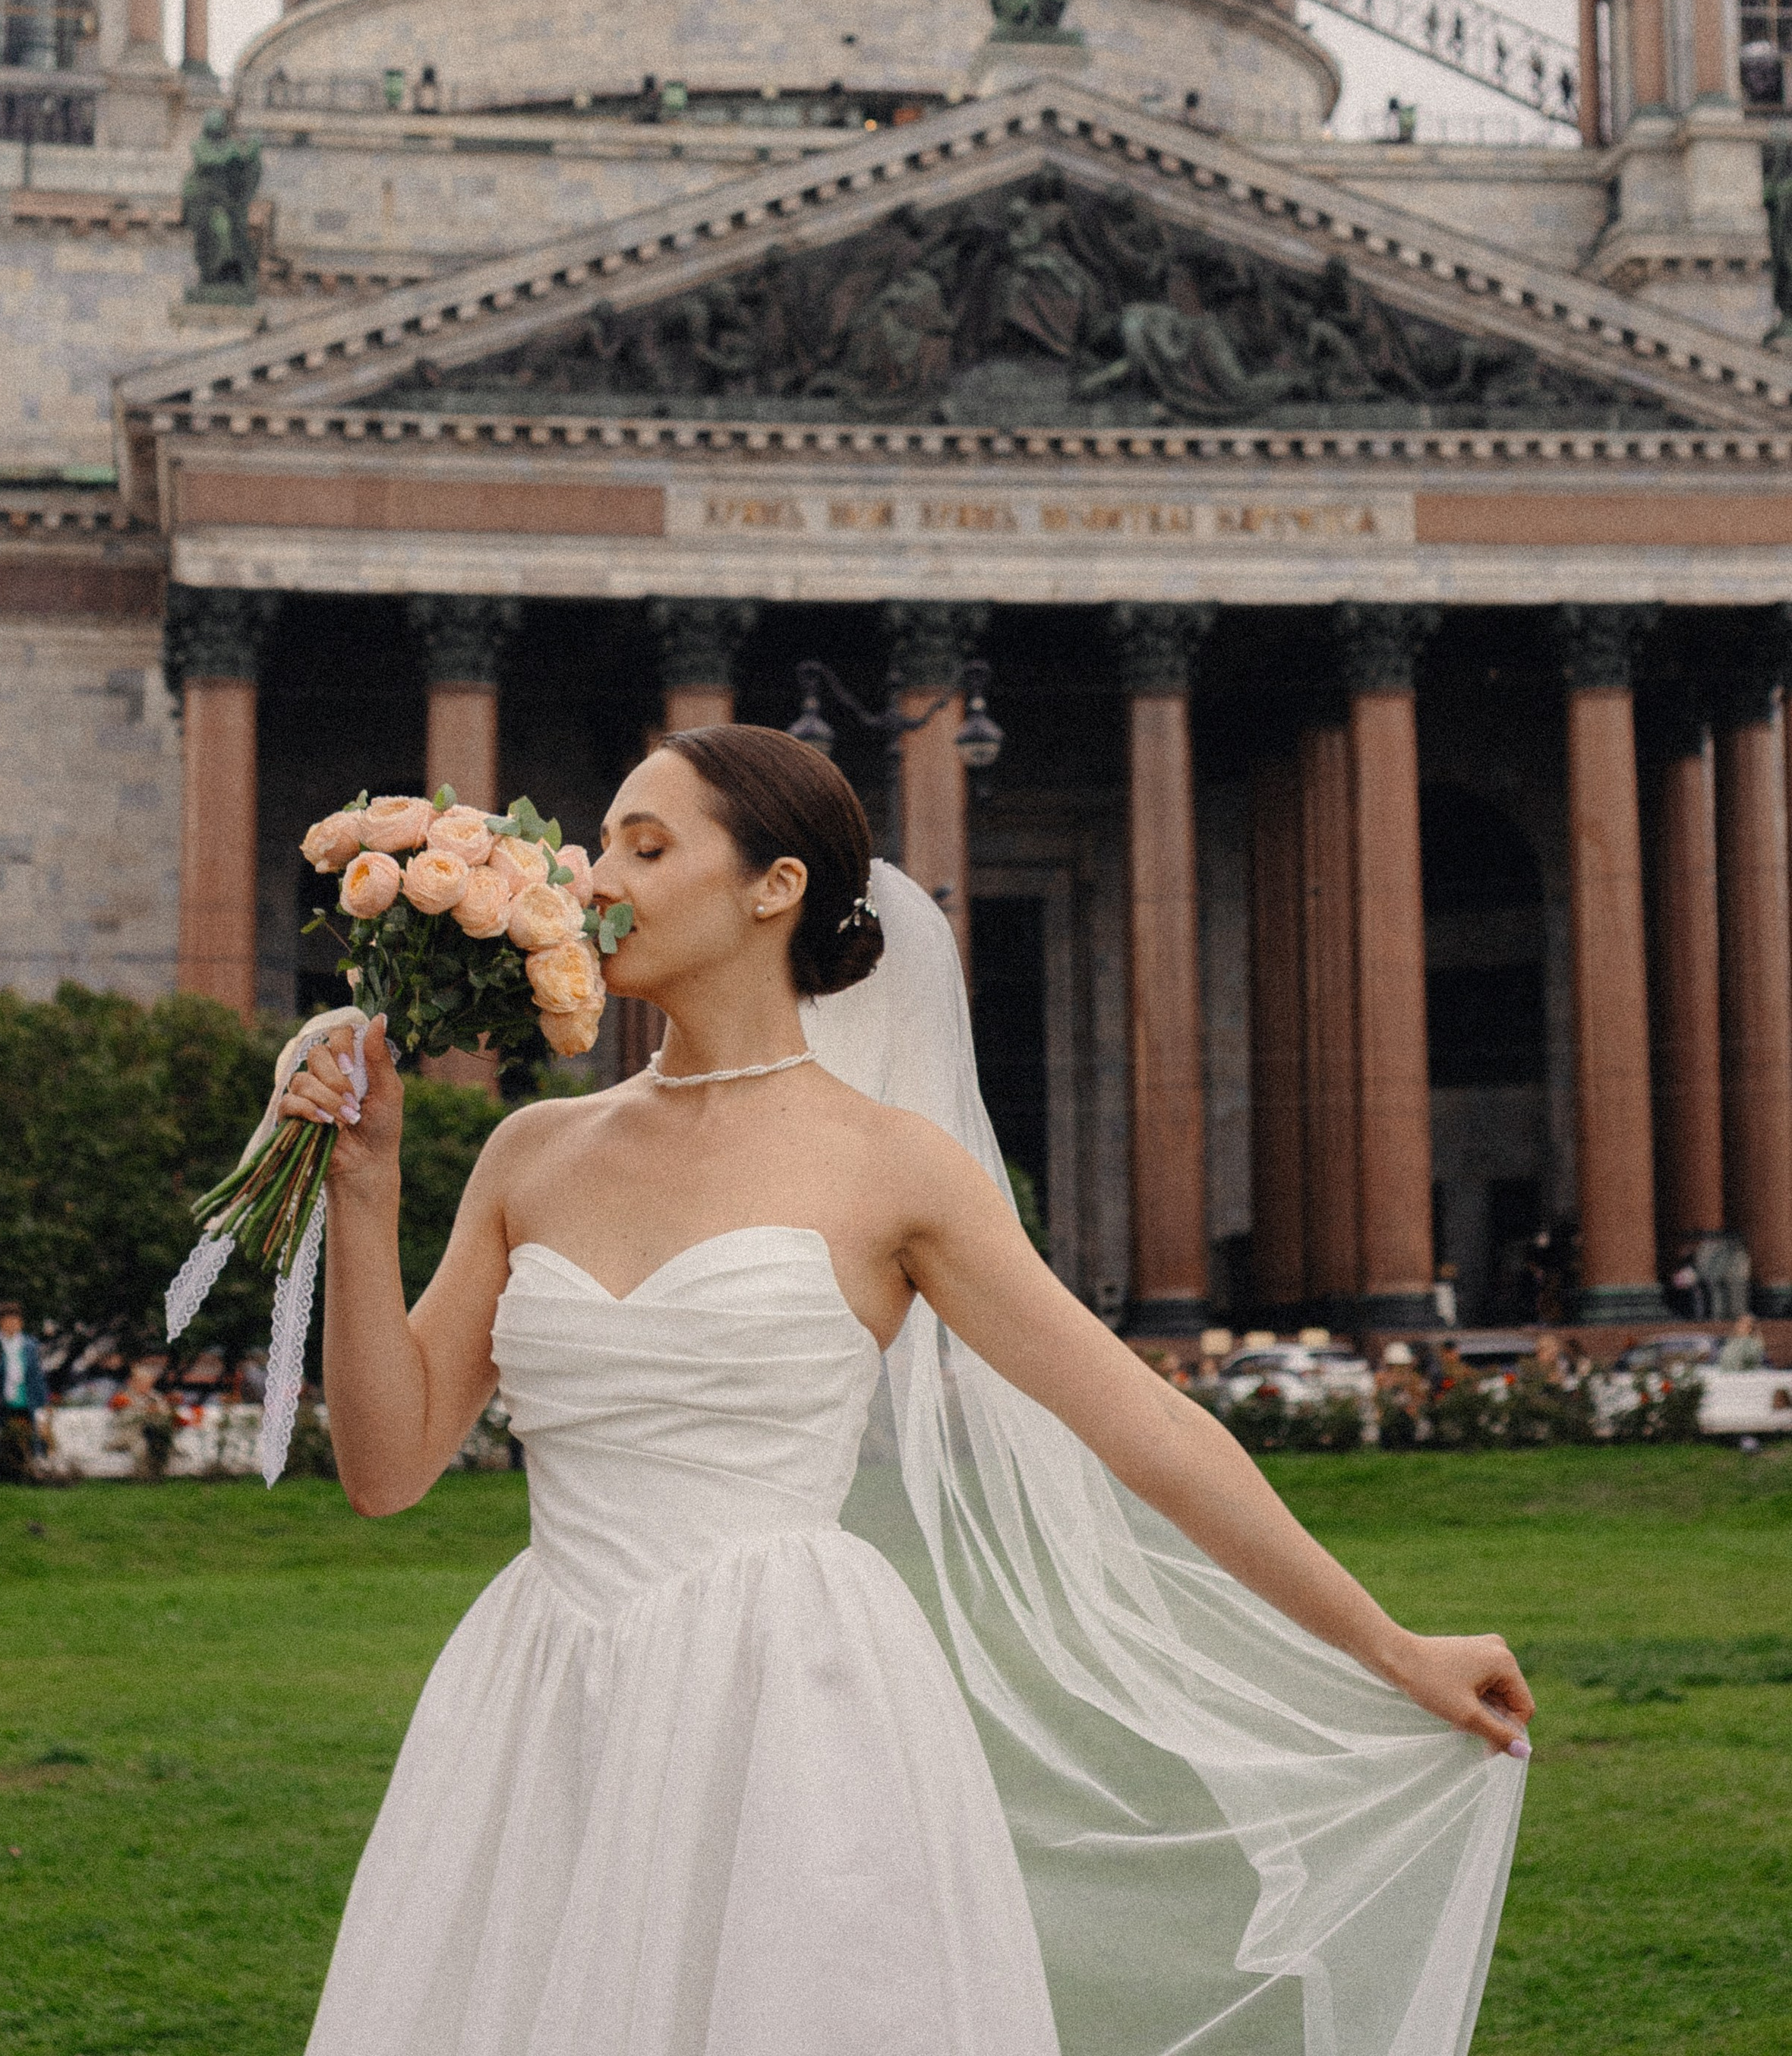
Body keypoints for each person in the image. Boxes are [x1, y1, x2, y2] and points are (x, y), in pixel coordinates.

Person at [284, 727, 1532, 2056]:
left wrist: (1393, 1647)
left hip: (788, 1708)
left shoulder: (896, 1171)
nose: (598, 878)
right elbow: (386, 1465)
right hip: (542, 1702)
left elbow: (1146, 1428)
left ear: (774, 889)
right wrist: (362, 1192)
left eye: (649, 848)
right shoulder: (533, 1151)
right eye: (603, 844)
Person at [0, 1302, 49, 1476]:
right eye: (7, 1320)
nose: (11, 1324)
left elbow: (36, 1374)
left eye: (15, 1320)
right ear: (0, 1322)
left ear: (21, 1322)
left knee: (27, 1436)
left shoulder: (30, 1345)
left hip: (25, 1399)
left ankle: (26, 1469)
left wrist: (43, 1401)